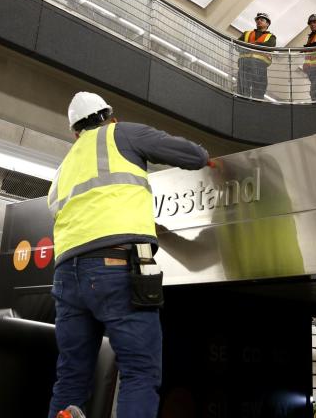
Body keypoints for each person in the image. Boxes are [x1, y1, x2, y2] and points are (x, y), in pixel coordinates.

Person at [47, 91, 210, 418]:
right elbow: (192, 155)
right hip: (115, 267)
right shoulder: (122, 133)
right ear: (109, 116)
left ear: (74, 132)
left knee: (71, 379)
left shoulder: (64, 167)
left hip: (66, 277)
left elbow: (62, 210)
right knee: (139, 371)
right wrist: (207, 157)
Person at [237, 12, 277, 99]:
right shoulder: (246, 33)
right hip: (245, 63)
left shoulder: (271, 37)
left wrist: (251, 44)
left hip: (260, 65)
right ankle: (242, 103)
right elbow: (237, 46)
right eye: (257, 19)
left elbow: (269, 46)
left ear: (267, 24)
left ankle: (256, 104)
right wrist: (259, 45)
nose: (259, 21)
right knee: (242, 88)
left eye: (262, 20)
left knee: (259, 89)